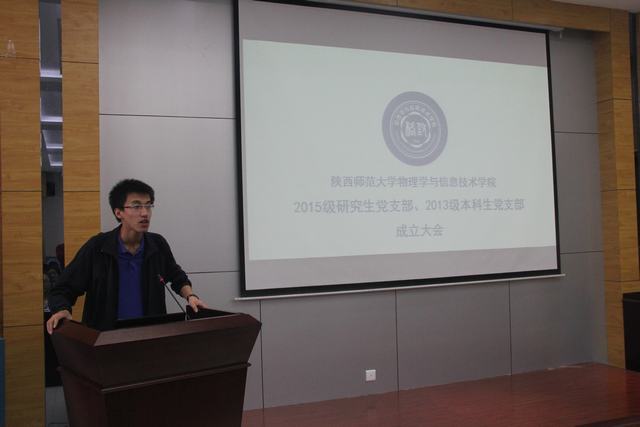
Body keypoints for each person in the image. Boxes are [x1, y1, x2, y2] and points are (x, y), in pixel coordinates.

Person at [46, 179, 206, 333]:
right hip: (105, 339)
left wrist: (190, 296)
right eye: (136, 206)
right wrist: (62, 310)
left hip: (151, 336)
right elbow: (63, 288)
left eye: (148, 205)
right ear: (118, 212)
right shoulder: (97, 247)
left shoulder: (157, 244)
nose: (145, 213)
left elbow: (177, 277)